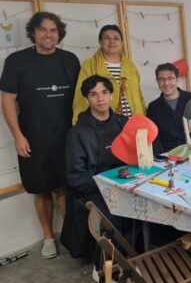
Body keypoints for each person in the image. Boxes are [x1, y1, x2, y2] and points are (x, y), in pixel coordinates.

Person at [0, 12, 80, 259]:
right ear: (33, 32)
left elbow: (80, 98)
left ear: (60, 33)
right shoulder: (17, 61)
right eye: (44, 30)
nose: (49, 35)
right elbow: (7, 99)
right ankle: (48, 237)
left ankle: (70, 237)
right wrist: (18, 136)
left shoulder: (70, 60)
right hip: (33, 140)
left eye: (54, 30)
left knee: (66, 190)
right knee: (41, 190)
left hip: (67, 139)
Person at [64, 75, 128, 276]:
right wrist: (110, 179)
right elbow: (76, 179)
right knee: (113, 216)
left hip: (127, 183)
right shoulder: (77, 133)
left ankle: (142, 257)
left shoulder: (123, 122)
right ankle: (105, 268)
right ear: (86, 99)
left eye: (104, 92)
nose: (100, 98)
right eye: (93, 94)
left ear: (111, 95)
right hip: (95, 189)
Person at [72, 24, 146, 124]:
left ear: (122, 42)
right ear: (100, 41)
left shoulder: (130, 65)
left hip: (133, 124)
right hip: (104, 125)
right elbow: (80, 97)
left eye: (116, 38)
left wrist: (144, 120)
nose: (112, 41)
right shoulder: (90, 64)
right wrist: (79, 123)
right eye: (107, 38)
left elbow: (139, 96)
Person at [147, 63, 191, 154]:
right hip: (168, 156)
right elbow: (154, 139)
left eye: (170, 78)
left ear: (177, 79)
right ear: (157, 81)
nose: (166, 83)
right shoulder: (153, 107)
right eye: (162, 79)